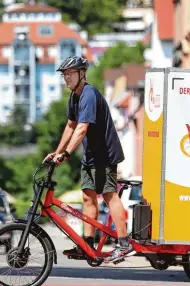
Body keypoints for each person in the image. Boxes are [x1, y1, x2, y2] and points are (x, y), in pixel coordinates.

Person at [43, 56, 135, 263]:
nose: (66, 78)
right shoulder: (74, 97)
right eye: (64, 75)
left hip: (105, 155)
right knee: (87, 197)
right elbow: (70, 125)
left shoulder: (88, 95)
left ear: (81, 74)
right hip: (90, 155)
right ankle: (87, 244)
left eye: (70, 74)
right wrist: (56, 151)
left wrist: (66, 154)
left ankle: (123, 243)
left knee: (109, 195)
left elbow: (82, 128)